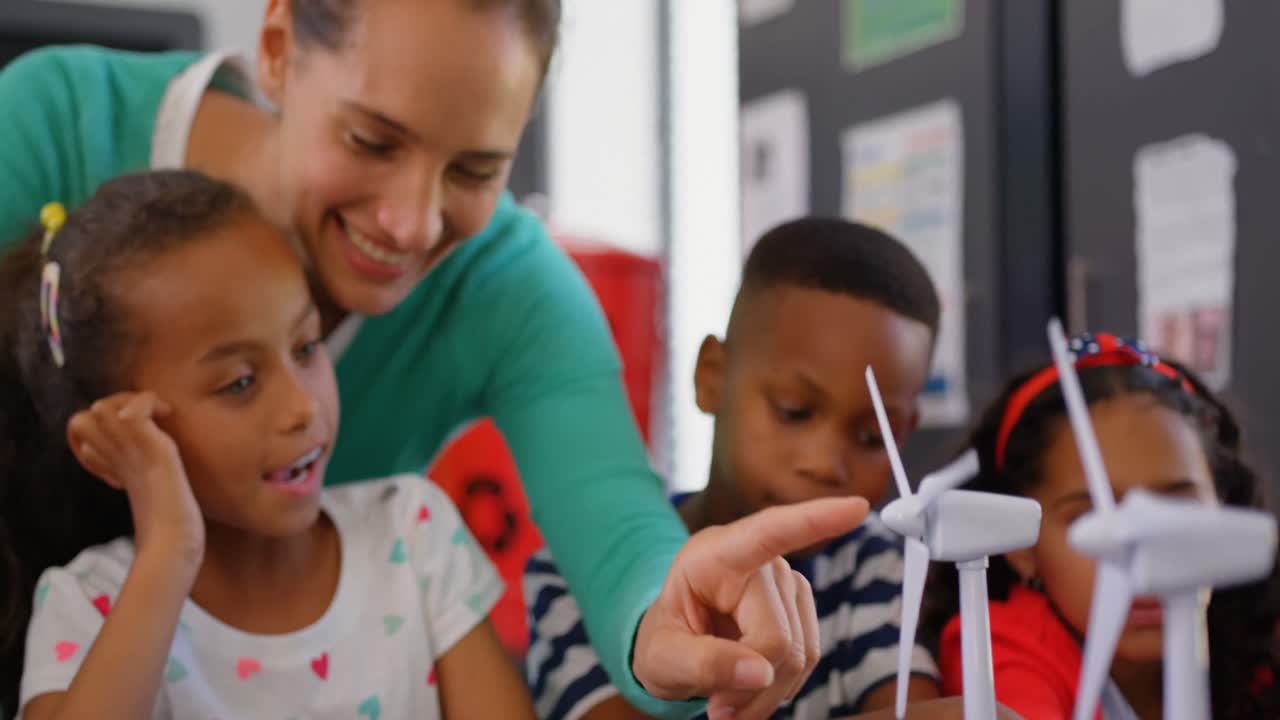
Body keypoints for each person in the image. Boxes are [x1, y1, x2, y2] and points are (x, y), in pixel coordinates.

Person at [0, 2, 859, 716]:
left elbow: (618, 532)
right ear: (275, 48)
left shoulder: (507, 300)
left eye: (476, 170)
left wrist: (679, 613)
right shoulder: (53, 124)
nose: (411, 225)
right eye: (373, 142)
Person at [2, 170, 536, 718]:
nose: (302, 407)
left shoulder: (414, 538)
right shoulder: (88, 606)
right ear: (117, 432)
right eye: (239, 382)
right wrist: (169, 551)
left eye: (306, 348)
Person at [525, 219, 999, 720]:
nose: (825, 464)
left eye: (870, 437)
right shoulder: (577, 570)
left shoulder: (870, 561)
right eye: (793, 410)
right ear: (712, 378)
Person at [921, 333, 1280, 719]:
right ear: (1020, 542)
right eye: (1092, 515)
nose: (1145, 545)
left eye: (1178, 506)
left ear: (1223, 506)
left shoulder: (1255, 633)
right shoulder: (997, 650)